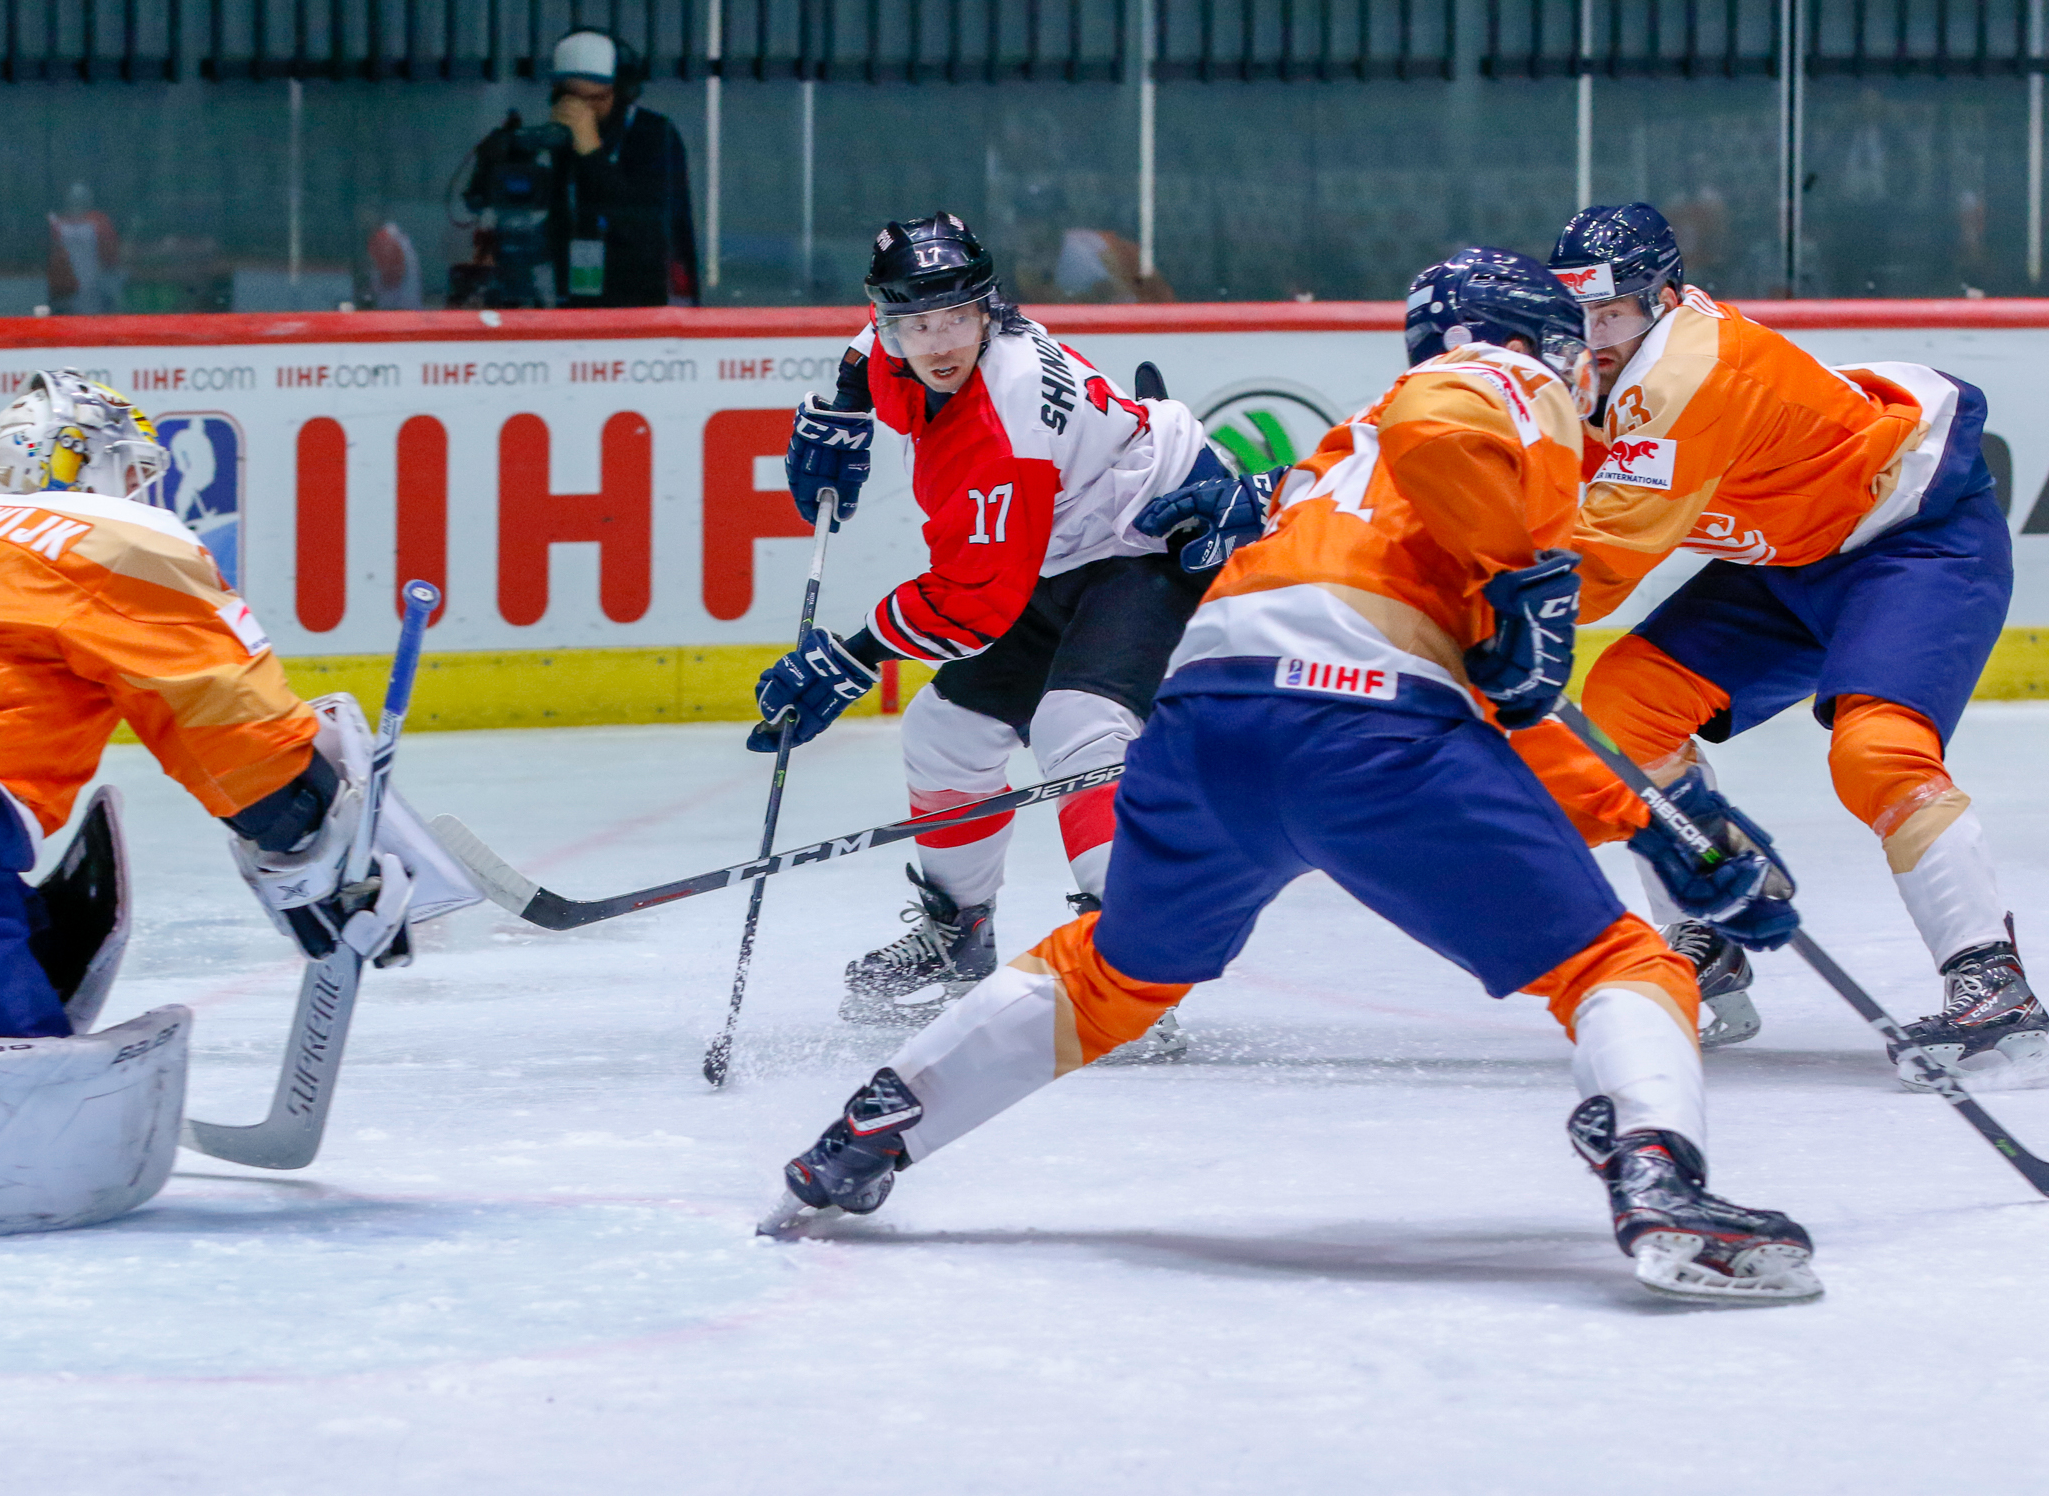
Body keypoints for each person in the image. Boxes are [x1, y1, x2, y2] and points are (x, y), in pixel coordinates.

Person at [761, 248, 1822, 1305]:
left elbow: (1505, 702)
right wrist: (1539, 590)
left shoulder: (1340, 462)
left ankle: (868, 1132)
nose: (1583, 373)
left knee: (1111, 973)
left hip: (1204, 725)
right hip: (1367, 730)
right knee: (1616, 965)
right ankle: (1654, 1171)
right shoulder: (1496, 382)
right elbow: (1442, 438)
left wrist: (1656, 827)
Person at [0, 372, 465, 1253]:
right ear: (94, 462)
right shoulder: (122, 541)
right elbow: (219, 704)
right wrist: (316, 843)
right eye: (130, 468)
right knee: (21, 1089)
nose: (144, 491)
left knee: (40, 953)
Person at [755, 212, 1276, 1057]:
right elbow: (864, 349)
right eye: (916, 323)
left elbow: (976, 606)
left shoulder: (1001, 425)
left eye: (957, 317)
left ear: (988, 308)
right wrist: (843, 407)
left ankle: (1131, 964)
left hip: (1149, 533)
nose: (940, 340)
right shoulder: (897, 341)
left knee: (1079, 724)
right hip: (1059, 542)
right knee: (944, 730)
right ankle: (959, 931)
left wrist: (852, 658)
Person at [1547, 204, 2031, 1081]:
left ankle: (1993, 987)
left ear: (1663, 295)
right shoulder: (1601, 363)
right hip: (1792, 555)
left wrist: (1473, 606)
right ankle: (1709, 937)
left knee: (1879, 751)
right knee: (1628, 704)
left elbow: (1599, 565)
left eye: (1611, 311)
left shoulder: (1686, 375)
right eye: (1581, 310)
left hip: (1914, 541)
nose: (1595, 332)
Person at [544, 29, 697, 307]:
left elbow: (644, 228)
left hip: (642, 301)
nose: (584, 112)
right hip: (578, 297)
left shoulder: (653, 134)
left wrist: (592, 153)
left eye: (596, 99)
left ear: (621, 93)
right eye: (573, 100)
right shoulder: (561, 141)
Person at [46, 181, 122, 316]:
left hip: (95, 290)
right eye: (74, 198)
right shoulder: (55, 222)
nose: (77, 202)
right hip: (64, 293)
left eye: (81, 198)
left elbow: (111, 256)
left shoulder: (100, 222)